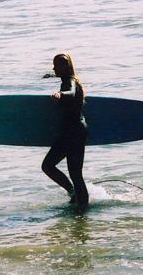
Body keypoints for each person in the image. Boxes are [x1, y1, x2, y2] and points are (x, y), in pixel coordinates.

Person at [41, 53, 89, 210]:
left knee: (72, 173)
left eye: (56, 65)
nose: (54, 68)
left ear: (66, 66)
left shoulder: (71, 82)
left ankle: (82, 208)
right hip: (71, 131)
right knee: (50, 166)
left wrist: (60, 95)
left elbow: (72, 93)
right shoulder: (68, 81)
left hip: (74, 132)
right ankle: (75, 196)